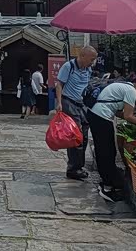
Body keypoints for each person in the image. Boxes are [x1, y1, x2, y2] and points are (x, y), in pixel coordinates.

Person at [86, 73, 136, 202]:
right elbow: (128, 116)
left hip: (97, 114)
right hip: (101, 117)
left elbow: (119, 112)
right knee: (106, 152)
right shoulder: (131, 91)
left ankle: (107, 181)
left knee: (106, 150)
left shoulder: (126, 86)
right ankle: (107, 187)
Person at [54, 45, 97, 181]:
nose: (92, 62)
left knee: (84, 135)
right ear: (82, 56)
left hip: (82, 104)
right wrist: (59, 102)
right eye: (91, 59)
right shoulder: (69, 66)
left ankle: (79, 166)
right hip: (69, 102)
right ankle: (73, 168)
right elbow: (59, 84)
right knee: (75, 136)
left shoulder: (88, 69)